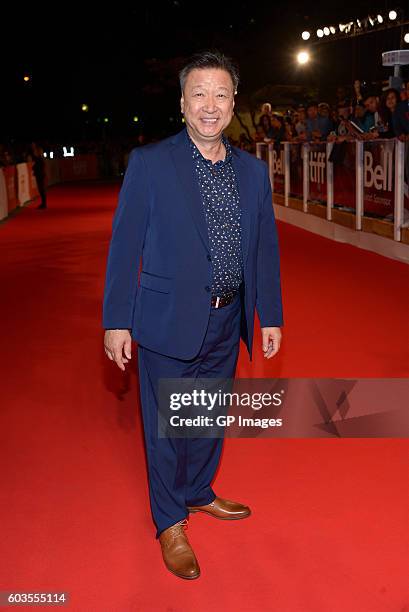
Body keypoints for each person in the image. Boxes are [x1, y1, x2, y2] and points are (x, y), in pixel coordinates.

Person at [102, 49, 284, 580]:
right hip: (165, 320)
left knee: (205, 418)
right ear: (182, 103)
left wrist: (267, 314)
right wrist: (117, 319)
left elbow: (264, 249)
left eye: (221, 94)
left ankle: (199, 491)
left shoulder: (252, 172)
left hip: (228, 319)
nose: (210, 105)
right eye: (199, 93)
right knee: (165, 427)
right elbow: (124, 246)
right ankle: (169, 520)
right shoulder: (151, 163)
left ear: (233, 105)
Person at [30, 142, 47, 209]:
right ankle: (43, 203)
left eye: (35, 151)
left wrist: (34, 167)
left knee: (41, 189)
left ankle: (44, 204)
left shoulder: (39, 159)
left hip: (40, 175)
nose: (34, 152)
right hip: (40, 175)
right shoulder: (40, 159)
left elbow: (38, 166)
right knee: (41, 189)